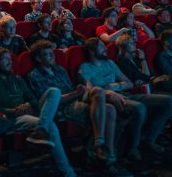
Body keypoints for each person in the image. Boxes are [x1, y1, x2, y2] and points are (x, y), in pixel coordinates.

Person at [26, 41, 132, 175]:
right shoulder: (35, 75)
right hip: (63, 106)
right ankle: (108, 159)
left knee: (98, 91)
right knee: (109, 110)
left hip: (75, 98)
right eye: (47, 55)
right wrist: (76, 93)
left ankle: (99, 145)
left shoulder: (59, 69)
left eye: (52, 54)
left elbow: (71, 90)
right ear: (38, 58)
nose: (52, 57)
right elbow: (51, 102)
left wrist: (78, 91)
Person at [0, 48, 78, 177]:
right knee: (52, 126)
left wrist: (27, 105)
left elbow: (32, 99)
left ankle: (40, 129)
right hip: (13, 118)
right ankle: (68, 173)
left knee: (54, 91)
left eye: (10, 59)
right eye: (6, 59)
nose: (10, 62)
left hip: (31, 110)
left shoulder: (17, 79)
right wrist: (14, 111)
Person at [79, 38, 172, 158]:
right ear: (92, 51)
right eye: (101, 46)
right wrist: (109, 92)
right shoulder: (85, 67)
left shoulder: (110, 63)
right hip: (109, 100)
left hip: (125, 94)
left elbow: (129, 83)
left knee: (169, 101)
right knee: (139, 108)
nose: (105, 48)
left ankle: (148, 140)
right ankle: (132, 148)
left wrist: (116, 85)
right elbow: (90, 91)